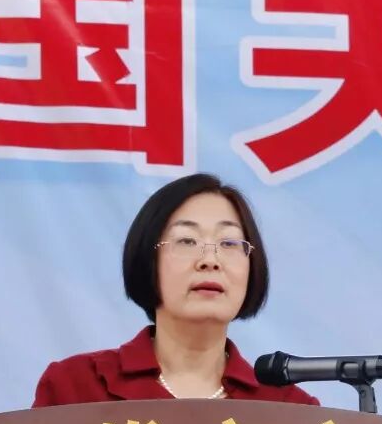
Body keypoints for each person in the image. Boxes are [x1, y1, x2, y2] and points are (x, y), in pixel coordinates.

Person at [32, 173, 320, 407]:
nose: (210, 260)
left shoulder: (290, 409)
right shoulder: (75, 388)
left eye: (229, 243)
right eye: (186, 241)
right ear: (148, 259)